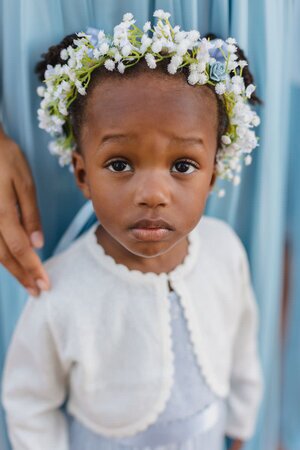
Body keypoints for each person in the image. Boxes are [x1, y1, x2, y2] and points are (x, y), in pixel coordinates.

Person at [1, 11, 263, 450]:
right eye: (120, 164)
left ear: (214, 176)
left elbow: (242, 341)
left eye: (183, 166)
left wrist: (241, 423)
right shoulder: (59, 289)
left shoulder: (226, 252)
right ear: (82, 175)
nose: (153, 194)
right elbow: (30, 400)